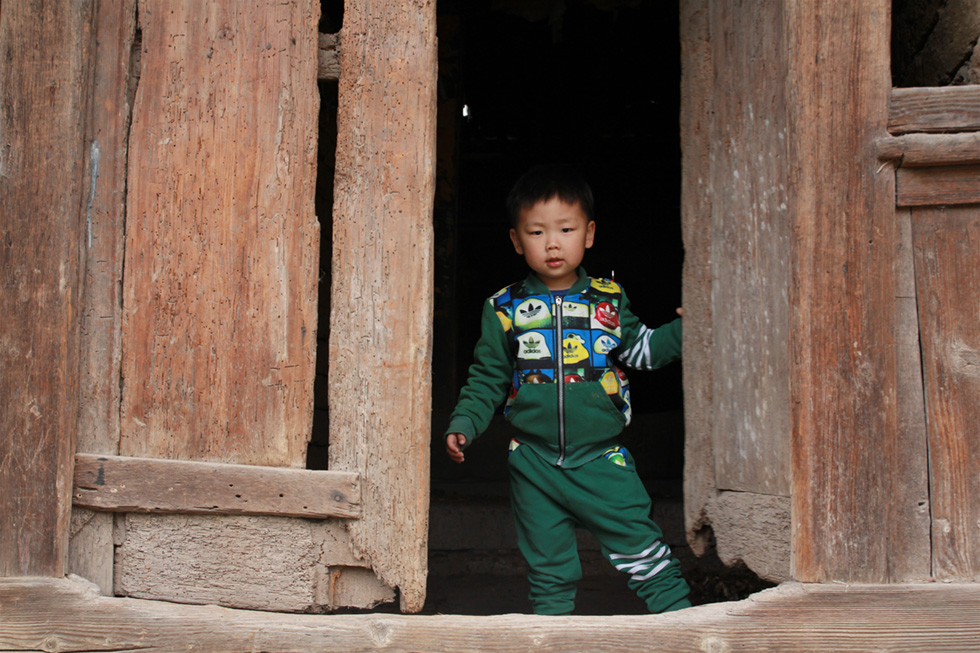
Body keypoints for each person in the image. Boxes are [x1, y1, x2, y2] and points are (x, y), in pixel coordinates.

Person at [444, 164, 691, 615]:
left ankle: (688, 629)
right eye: (536, 232)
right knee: (548, 571)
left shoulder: (607, 299)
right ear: (517, 241)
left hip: (601, 459)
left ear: (589, 233)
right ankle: (551, 639)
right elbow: (488, 376)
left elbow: (644, 352)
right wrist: (465, 422)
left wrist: (689, 326)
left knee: (646, 556)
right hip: (534, 462)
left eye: (566, 229)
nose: (552, 243)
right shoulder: (503, 307)